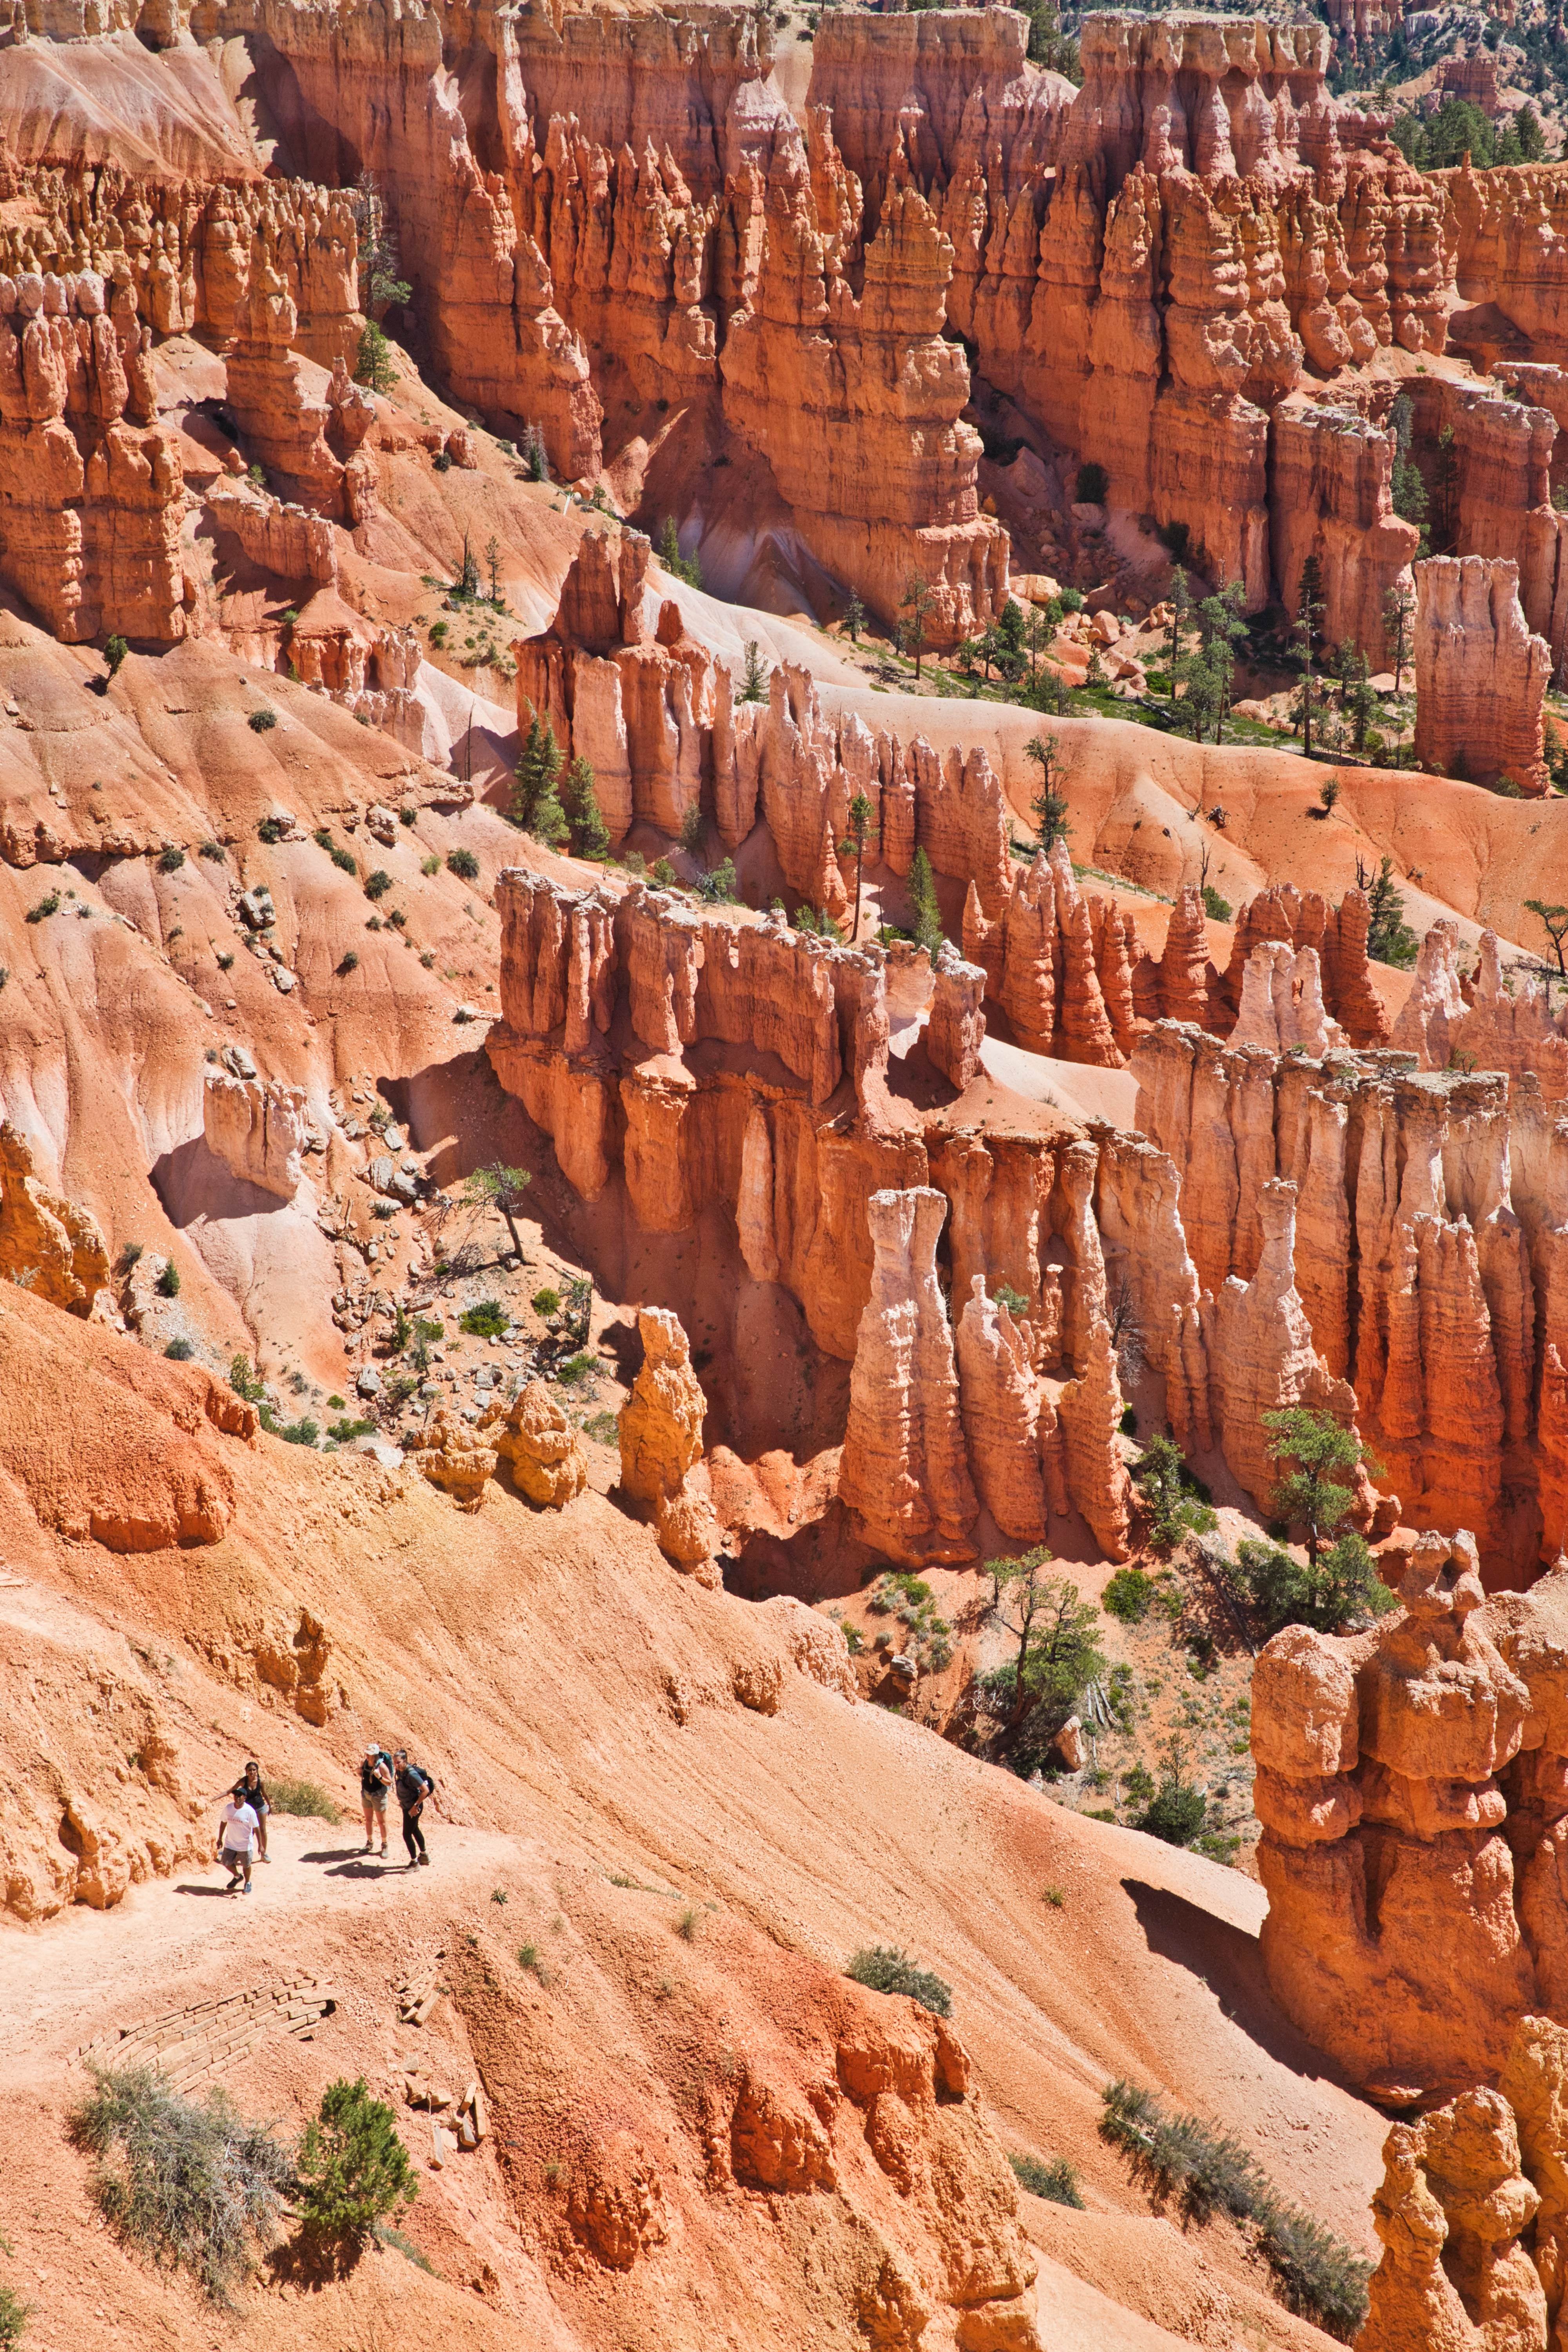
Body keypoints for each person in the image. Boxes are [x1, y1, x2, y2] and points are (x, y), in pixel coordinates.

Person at [393, 1749, 436, 1868]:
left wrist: (415, 1806)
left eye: (398, 1762)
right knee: (414, 1829)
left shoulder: (412, 1774)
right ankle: (424, 1856)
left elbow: (425, 1790)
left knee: (407, 1835)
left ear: (405, 1761)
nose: (396, 1765)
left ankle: (414, 1863)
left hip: (413, 1807)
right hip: (408, 1806)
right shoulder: (401, 1771)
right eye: (394, 1762)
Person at [217, 1785, 260, 1893]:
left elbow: (256, 1828)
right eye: (236, 1795)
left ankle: (248, 1882)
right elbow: (224, 1822)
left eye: (240, 1795)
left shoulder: (249, 1811)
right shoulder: (228, 1808)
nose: (237, 1797)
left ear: (245, 1798)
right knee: (226, 1862)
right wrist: (220, 1838)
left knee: (246, 1865)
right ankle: (237, 1876)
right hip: (230, 1843)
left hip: (245, 1844)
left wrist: (261, 1845)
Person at [360, 1742, 393, 1855]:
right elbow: (364, 1775)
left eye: (369, 1754)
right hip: (366, 1794)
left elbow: (389, 1782)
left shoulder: (382, 1766)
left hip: (379, 1796)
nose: (367, 1756)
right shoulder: (365, 1763)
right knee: (368, 1820)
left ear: (375, 1755)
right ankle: (369, 1843)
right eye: (367, 1753)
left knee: (381, 1822)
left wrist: (379, 1776)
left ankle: (385, 1845)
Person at [237, 1760, 270, 1862]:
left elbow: (265, 1794)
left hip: (260, 1807)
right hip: (249, 1810)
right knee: (249, 1832)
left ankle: (264, 1854)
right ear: (246, 1771)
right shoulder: (243, 1781)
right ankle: (243, 1854)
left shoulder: (260, 1782)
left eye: (254, 1770)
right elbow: (233, 1790)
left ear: (257, 1771)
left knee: (262, 1830)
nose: (252, 1772)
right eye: (250, 1770)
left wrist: (270, 1805)